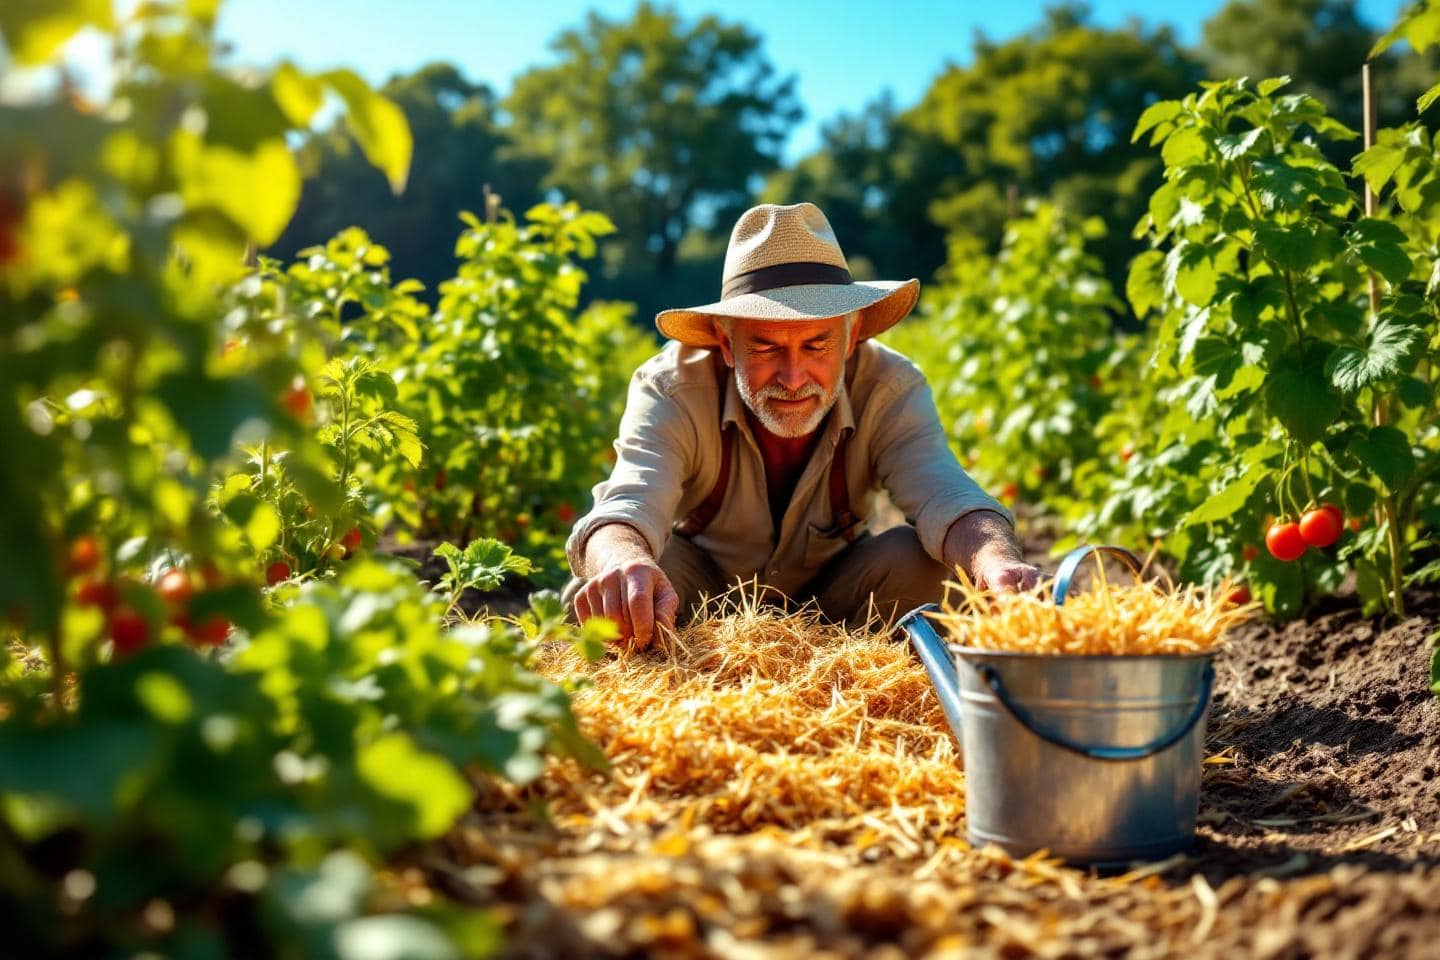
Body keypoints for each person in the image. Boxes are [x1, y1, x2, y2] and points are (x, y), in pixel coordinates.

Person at [563, 202, 1041, 648]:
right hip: (699, 600)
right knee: (612, 594)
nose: (793, 378)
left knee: (935, 568)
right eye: (767, 348)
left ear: (852, 336)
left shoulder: (888, 387)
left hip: (841, 600)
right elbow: (629, 502)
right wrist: (625, 564)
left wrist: (997, 563)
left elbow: (944, 492)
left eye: (816, 346)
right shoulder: (673, 387)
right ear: (727, 346)